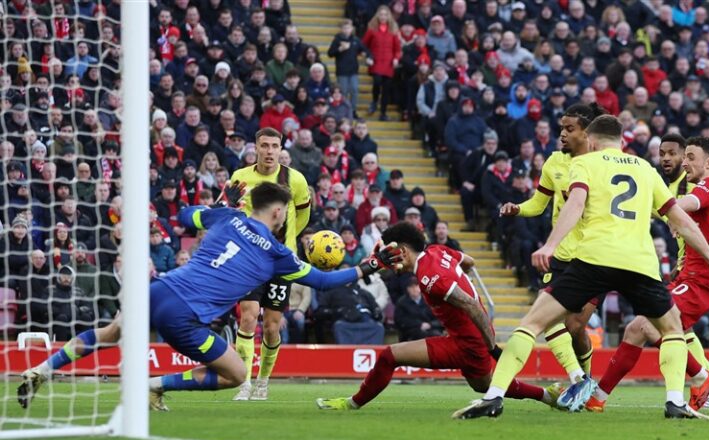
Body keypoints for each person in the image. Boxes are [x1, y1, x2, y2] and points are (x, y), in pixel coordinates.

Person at [18, 182, 402, 411]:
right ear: (279, 211)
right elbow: (321, 281)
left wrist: (221, 202)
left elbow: (185, 217)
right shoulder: (278, 254)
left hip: (160, 289)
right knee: (235, 374)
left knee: (111, 332)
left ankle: (44, 368)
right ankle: (155, 385)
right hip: (186, 317)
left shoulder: (227, 217)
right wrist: (370, 266)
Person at [454, 115, 709, 420]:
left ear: (592, 140)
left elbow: (574, 204)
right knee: (673, 331)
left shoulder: (585, 163)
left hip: (593, 260)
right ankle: (676, 401)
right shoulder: (645, 169)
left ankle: (494, 396)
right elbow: (679, 218)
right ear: (622, 141)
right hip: (639, 263)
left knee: (532, 323)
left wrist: (550, 244)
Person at [316, 222, 564, 411]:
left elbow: (471, 306)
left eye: (390, 254)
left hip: (468, 342)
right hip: (464, 335)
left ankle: (352, 403)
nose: (389, 260)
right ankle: (547, 395)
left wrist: (493, 348)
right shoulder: (437, 251)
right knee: (483, 385)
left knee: (389, 356)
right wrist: (458, 275)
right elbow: (469, 261)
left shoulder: (429, 276)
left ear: (402, 251)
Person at [585, 136, 709, 413]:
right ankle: (598, 399)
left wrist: (659, 213)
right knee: (638, 328)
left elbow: (677, 206)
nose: (684, 162)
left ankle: (701, 379)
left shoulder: (706, 189)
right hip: (694, 279)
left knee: (646, 326)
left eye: (690, 157)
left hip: (699, 282)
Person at [498, 103, 606, 383]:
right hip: (560, 255)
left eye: (569, 129)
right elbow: (538, 203)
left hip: (596, 256)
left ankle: (586, 376)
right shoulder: (554, 163)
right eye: (561, 128)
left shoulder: (604, 164)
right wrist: (518, 208)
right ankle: (578, 381)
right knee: (549, 321)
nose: (562, 135)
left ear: (587, 133)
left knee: (575, 326)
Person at [229, 128, 311, 402]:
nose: (269, 151)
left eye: (274, 146)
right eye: (264, 145)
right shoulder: (240, 178)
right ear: (256, 147)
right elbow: (231, 214)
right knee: (249, 316)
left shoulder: (295, 180)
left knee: (273, 326)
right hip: (249, 261)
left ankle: (263, 381)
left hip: (280, 262)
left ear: (280, 149)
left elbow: (302, 217)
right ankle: (245, 382)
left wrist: (285, 242)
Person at [362, 5, 401, 121]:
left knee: (386, 88)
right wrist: (368, 56)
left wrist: (396, 58)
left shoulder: (393, 31)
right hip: (376, 61)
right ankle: (374, 101)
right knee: (377, 81)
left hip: (389, 63)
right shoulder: (372, 30)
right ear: (377, 16)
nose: (383, 17)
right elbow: (363, 45)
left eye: (385, 15)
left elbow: (397, 49)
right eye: (381, 14)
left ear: (389, 16)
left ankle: (383, 112)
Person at [393, 276, 443, 341]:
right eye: (411, 287)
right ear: (407, 289)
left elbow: (440, 317)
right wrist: (419, 324)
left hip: (432, 329)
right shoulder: (401, 303)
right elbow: (400, 321)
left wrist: (430, 325)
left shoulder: (429, 299)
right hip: (412, 332)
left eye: (416, 286)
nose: (414, 289)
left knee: (436, 336)